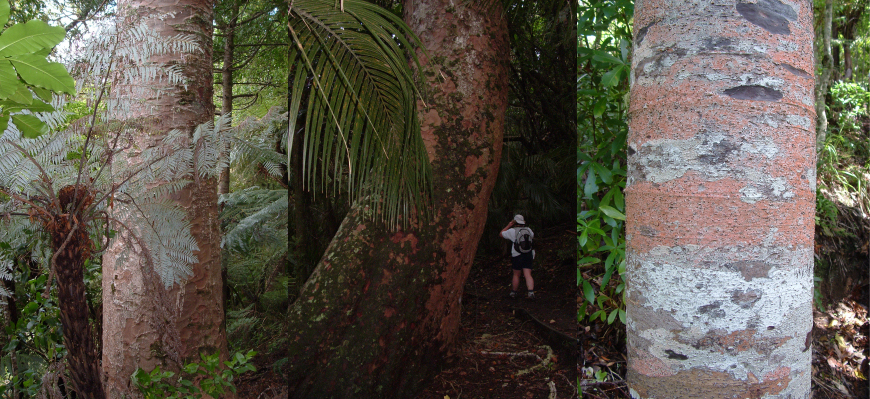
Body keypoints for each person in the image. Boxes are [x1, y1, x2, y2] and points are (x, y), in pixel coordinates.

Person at [499, 214, 535, 300]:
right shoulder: (529, 230)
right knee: (528, 274)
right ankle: (530, 293)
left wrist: (509, 225)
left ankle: (514, 293)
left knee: (516, 274)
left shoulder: (512, 231)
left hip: (517, 255)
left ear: (515, 222)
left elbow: (501, 234)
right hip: (528, 254)